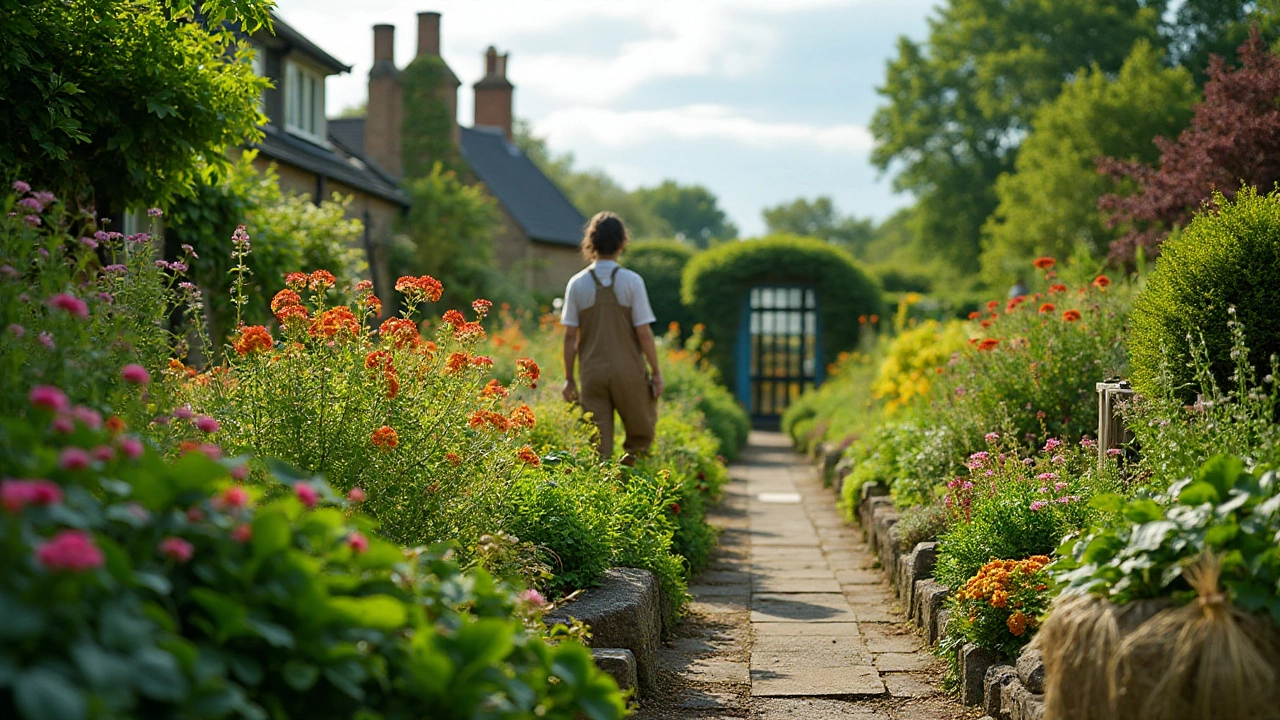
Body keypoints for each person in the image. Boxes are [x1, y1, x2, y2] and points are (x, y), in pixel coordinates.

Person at [560, 212, 663, 464]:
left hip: (592, 373)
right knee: (640, 437)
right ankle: (630, 487)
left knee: (598, 445)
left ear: (591, 243)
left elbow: (570, 338)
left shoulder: (577, 284)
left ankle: (602, 492)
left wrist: (569, 379)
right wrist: (656, 372)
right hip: (629, 373)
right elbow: (644, 334)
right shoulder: (632, 282)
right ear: (622, 243)